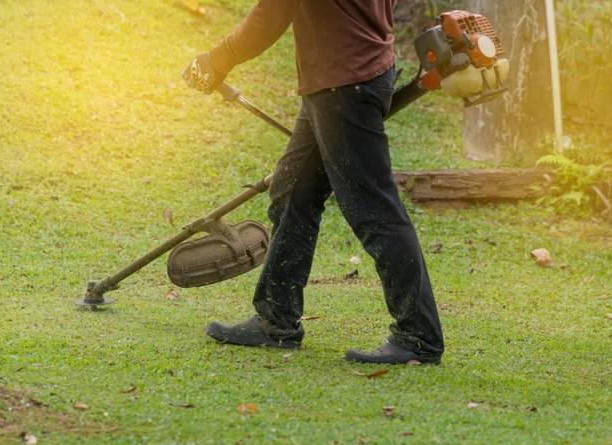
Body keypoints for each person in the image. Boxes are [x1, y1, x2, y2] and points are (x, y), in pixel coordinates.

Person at [182, 0, 444, 364]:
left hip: (344, 84)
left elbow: (270, 16)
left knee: (374, 210)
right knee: (293, 193)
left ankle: (419, 336)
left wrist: (217, 59)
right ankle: (276, 320)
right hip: (353, 77)